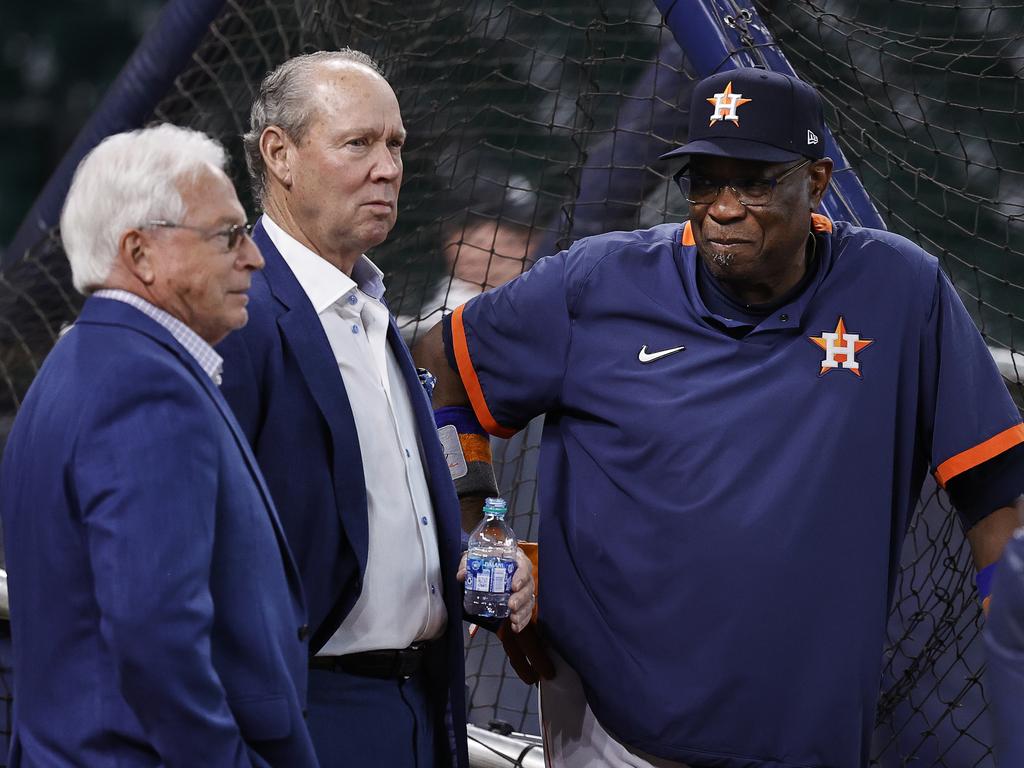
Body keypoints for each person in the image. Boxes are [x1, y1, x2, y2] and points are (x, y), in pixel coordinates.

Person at [414, 67, 1024, 768]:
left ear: (817, 181)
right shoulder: (598, 282)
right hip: (611, 734)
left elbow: (993, 489)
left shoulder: (900, 289)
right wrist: (476, 527)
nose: (723, 208)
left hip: (809, 741)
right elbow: (442, 367)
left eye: (755, 182)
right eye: (704, 181)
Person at [217, 49, 534, 768]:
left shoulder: (376, 313)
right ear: (280, 155)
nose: (388, 167)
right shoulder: (240, 314)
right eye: (358, 143)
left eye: (395, 145)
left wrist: (478, 561)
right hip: (303, 710)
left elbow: (392, 517)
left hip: (421, 703)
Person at [0, 124, 317, 767]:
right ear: (141, 254)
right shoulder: (144, 386)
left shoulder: (83, 362)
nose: (253, 257)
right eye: (229, 235)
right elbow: (154, 636)